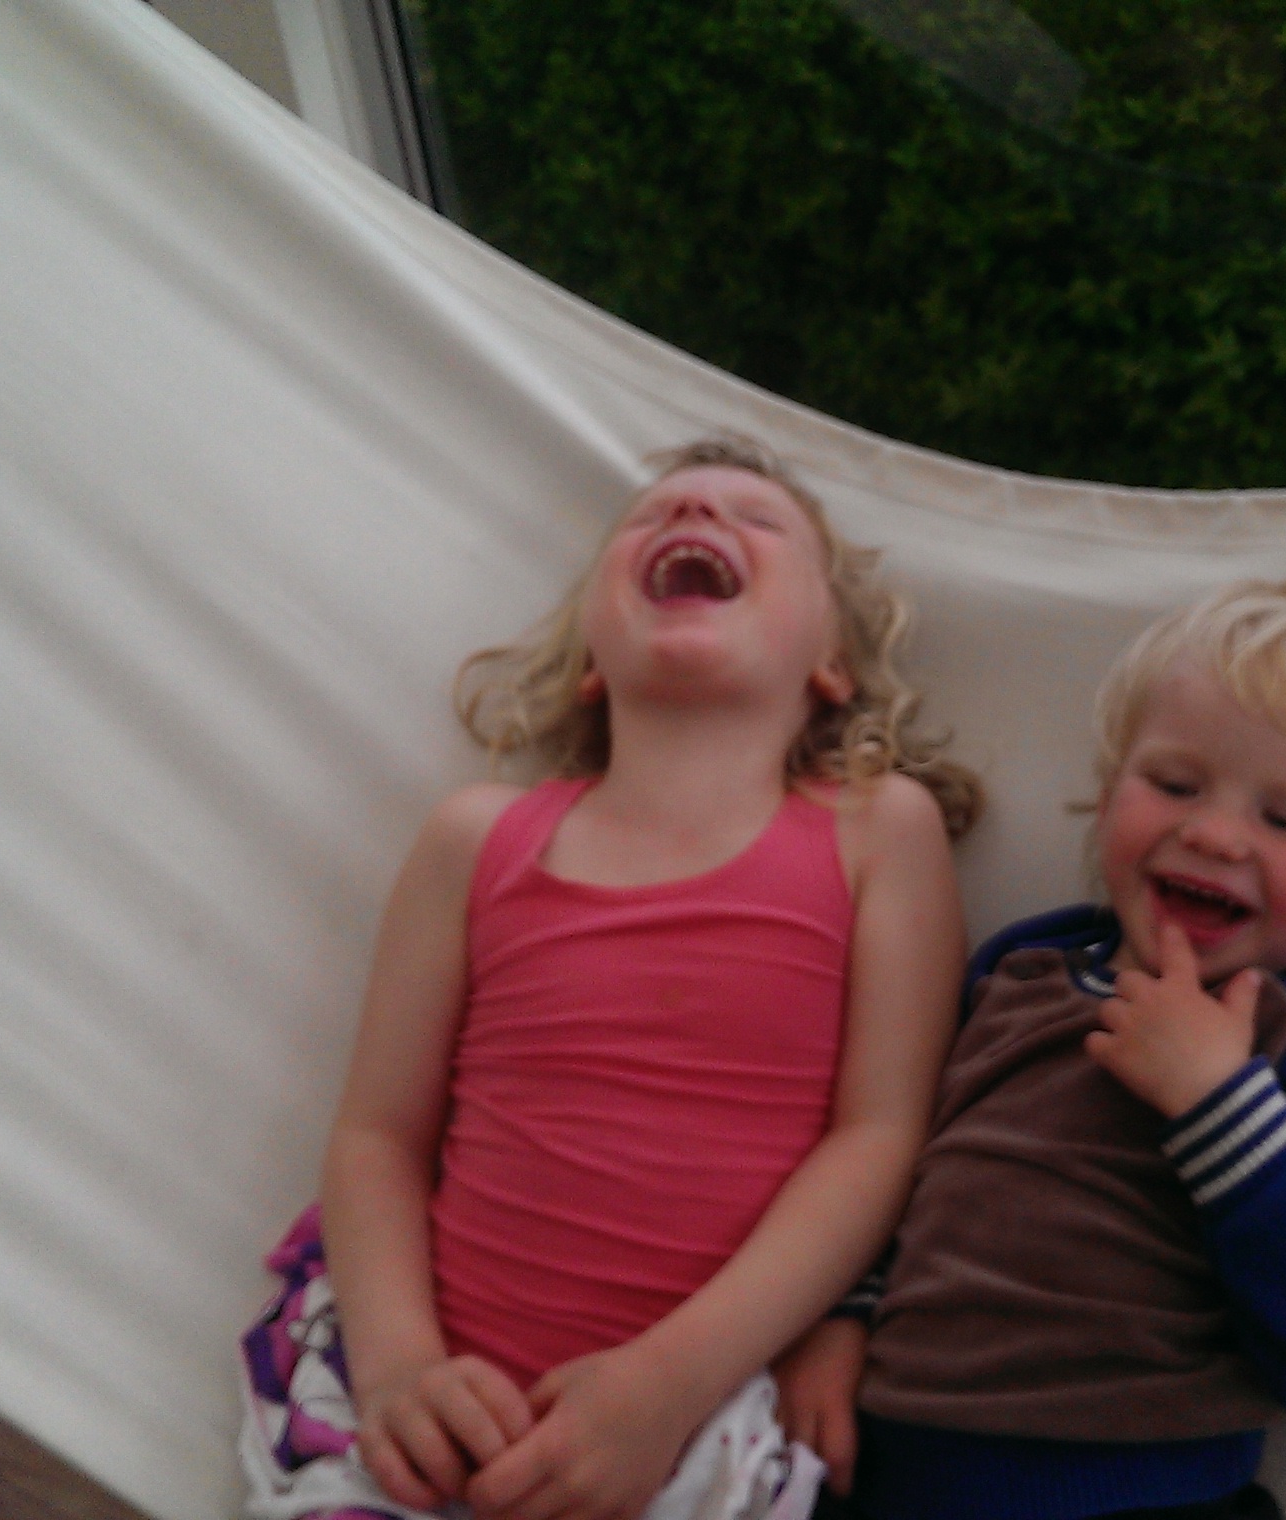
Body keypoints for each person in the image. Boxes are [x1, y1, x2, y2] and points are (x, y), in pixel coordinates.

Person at [240, 437, 977, 1520]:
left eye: (757, 519)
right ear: (591, 657)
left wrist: (671, 1384)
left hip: (698, 1430)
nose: (696, 512)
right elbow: (377, 1136)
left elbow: (879, 1139)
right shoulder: (475, 840)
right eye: (654, 513)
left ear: (832, 660)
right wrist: (398, 1370)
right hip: (416, 1410)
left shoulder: (877, 833)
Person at [775, 581, 1286, 1520]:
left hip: (1143, 1494)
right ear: (1108, 793)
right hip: (886, 1476)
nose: (1210, 833)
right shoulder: (1016, 973)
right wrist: (840, 1318)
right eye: (1174, 785)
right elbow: (894, 1166)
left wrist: (1222, 1106)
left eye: (1284, 820)